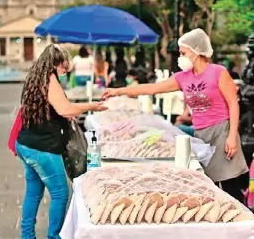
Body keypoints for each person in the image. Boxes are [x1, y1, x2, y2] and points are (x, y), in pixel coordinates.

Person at [103, 28, 248, 203]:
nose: (180, 57)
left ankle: (247, 224)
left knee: (230, 186)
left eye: (183, 53)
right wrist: (118, 91)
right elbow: (152, 88)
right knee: (210, 187)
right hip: (201, 134)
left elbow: (233, 103)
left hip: (222, 131)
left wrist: (232, 136)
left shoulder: (218, 72)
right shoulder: (182, 77)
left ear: (196, 51)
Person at [16, 44, 107, 239]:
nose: (64, 73)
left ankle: (27, 236)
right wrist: (92, 106)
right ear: (54, 64)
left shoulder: (34, 77)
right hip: (42, 148)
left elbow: (53, 109)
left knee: (33, 193)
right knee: (60, 194)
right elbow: (65, 109)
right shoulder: (49, 79)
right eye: (63, 69)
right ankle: (54, 236)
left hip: (26, 144)